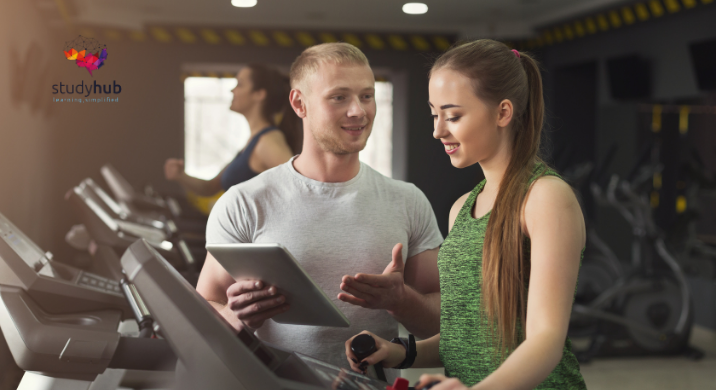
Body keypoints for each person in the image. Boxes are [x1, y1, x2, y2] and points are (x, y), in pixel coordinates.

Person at [345, 40, 587, 390]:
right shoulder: (462, 208)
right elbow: (469, 339)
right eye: (434, 114)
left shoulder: (545, 197)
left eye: (453, 115)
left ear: (503, 112)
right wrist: (399, 352)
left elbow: (545, 341)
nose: (438, 130)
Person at [196, 43, 444, 374]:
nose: (358, 111)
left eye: (367, 96)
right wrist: (235, 316)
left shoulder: (407, 200)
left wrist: (402, 301)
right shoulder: (244, 202)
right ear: (300, 103)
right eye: (339, 97)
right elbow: (200, 313)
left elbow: (441, 325)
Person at [164, 64, 301, 196]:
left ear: (259, 94)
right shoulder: (253, 142)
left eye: (239, 84)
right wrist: (179, 175)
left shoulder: (268, 141)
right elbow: (209, 188)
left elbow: (299, 188)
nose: (232, 90)